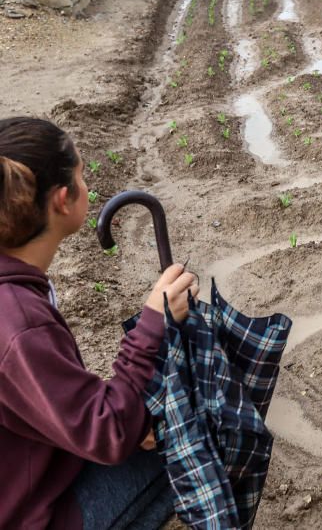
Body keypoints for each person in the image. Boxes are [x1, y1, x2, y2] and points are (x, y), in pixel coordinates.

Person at [0, 117, 198, 529]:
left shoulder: (15, 291)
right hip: (31, 513)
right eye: (81, 175)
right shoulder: (18, 320)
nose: (88, 186)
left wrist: (129, 420)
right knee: (203, 427)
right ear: (63, 200)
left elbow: (40, 398)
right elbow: (106, 434)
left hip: (23, 474)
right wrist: (152, 325)